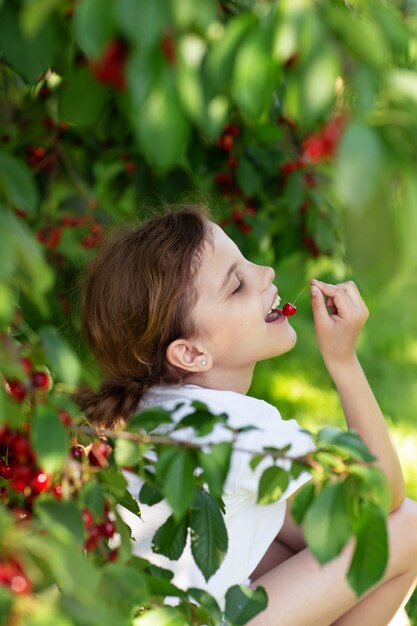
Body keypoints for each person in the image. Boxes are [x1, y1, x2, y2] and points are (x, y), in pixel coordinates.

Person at [76, 205, 417, 626]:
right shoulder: (230, 426)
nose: (266, 272)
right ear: (191, 353)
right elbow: (383, 497)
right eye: (237, 285)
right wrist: (343, 362)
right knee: (405, 529)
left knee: (282, 534)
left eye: (246, 260)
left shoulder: (151, 408)